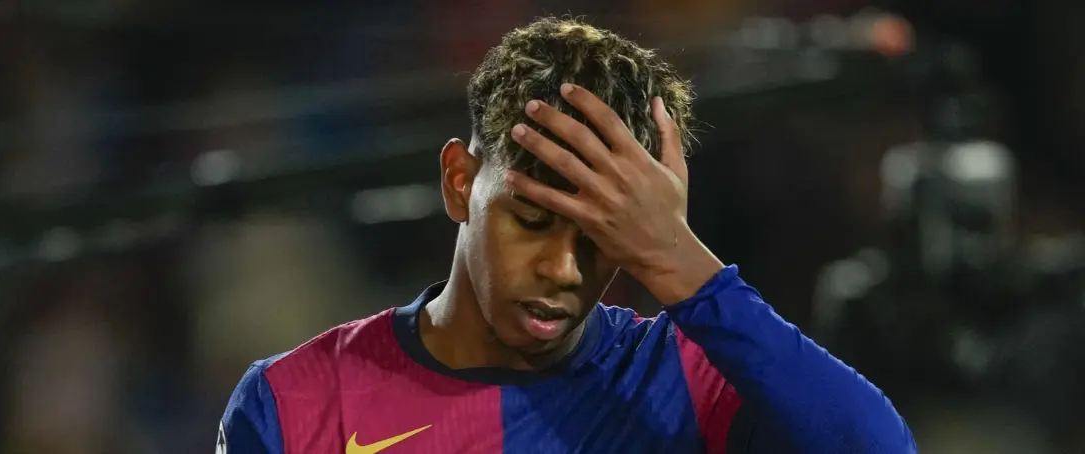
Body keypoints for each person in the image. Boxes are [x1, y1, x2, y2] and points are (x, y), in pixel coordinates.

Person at [218, 17, 916, 454]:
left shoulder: (682, 380)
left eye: (602, 238)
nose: (563, 269)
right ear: (459, 182)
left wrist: (682, 262)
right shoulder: (291, 404)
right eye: (531, 220)